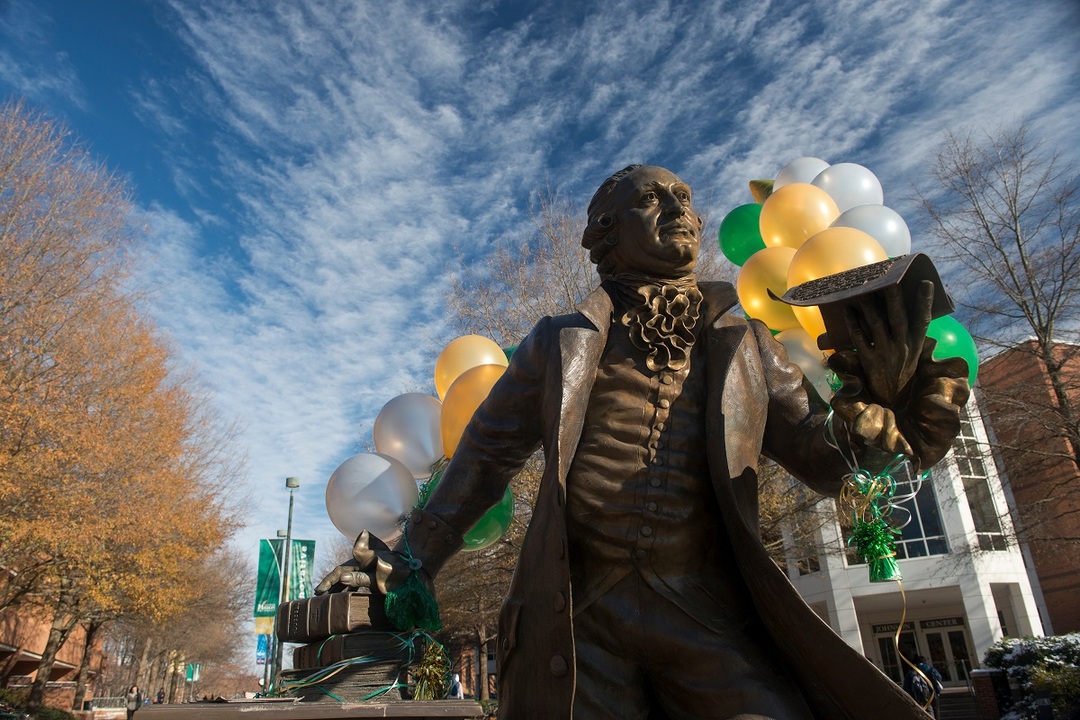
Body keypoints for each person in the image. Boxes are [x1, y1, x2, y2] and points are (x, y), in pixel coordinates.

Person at [318, 165, 970, 719]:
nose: (679, 209)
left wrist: (896, 419)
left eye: (685, 198)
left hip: (706, 613)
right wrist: (406, 564)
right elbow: (483, 460)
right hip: (579, 620)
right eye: (653, 199)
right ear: (606, 235)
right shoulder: (557, 343)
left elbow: (824, 460)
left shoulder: (743, 341)